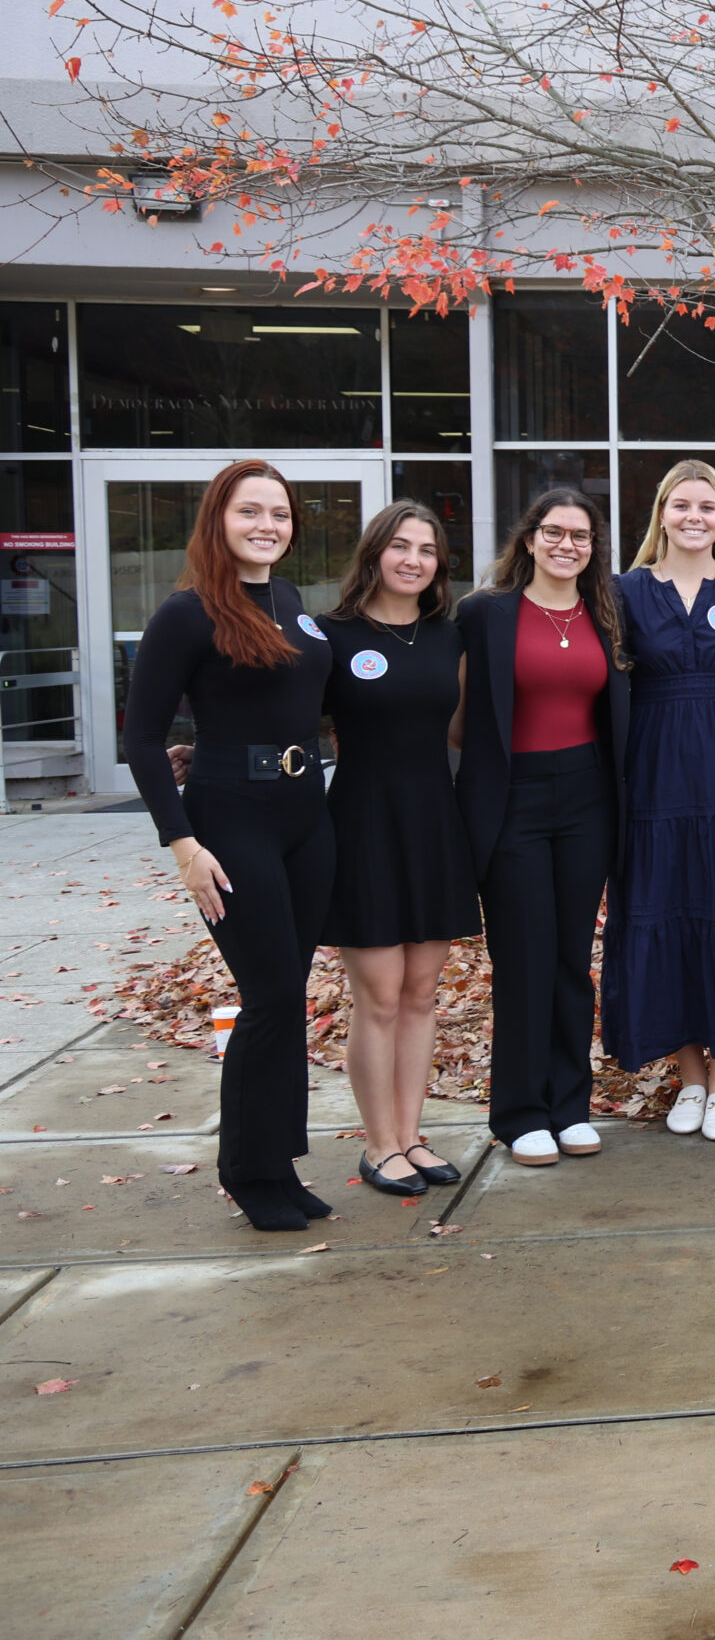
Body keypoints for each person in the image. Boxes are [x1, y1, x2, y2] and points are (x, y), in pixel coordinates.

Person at [126, 461, 336, 1231]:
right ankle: (249, 1173)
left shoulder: (289, 601)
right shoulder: (187, 614)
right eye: (250, 511)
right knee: (269, 995)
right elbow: (143, 740)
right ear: (219, 518)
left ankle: (280, 1163)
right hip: (229, 819)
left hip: (305, 817)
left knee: (290, 995)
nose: (267, 525)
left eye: (279, 513)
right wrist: (182, 843)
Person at [605, 461, 715, 1142]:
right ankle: (688, 1074)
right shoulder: (623, 591)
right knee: (664, 905)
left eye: (708, 506)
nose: (694, 517)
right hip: (653, 767)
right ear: (661, 514)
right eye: (682, 505)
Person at [454, 489, 629, 1168]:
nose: (567, 545)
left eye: (580, 535)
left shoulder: (606, 613)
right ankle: (520, 1112)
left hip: (586, 795)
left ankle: (570, 1105)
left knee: (569, 960)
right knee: (523, 957)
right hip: (512, 798)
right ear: (528, 539)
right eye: (554, 532)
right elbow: (451, 705)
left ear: (593, 547)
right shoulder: (485, 613)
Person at [318, 503, 482, 1194]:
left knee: (421, 992)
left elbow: (463, 735)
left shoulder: (450, 638)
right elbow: (286, 718)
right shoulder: (329, 635)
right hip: (362, 824)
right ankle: (377, 1143)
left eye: (427, 549)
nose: (413, 559)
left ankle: (412, 1135)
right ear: (375, 554)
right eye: (400, 546)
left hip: (433, 823)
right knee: (378, 995)